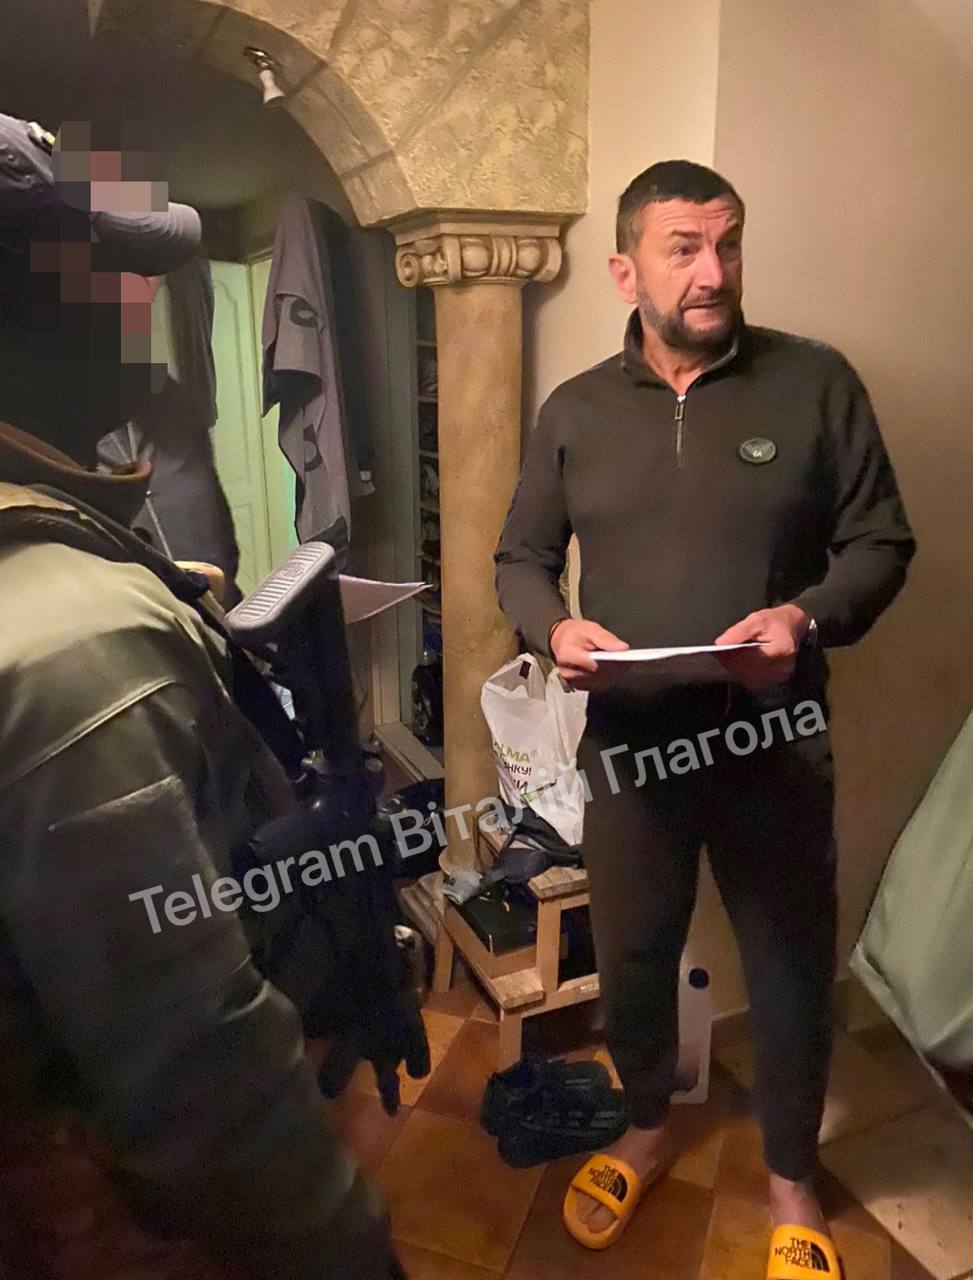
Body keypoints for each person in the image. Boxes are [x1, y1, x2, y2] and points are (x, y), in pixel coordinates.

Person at [495, 159, 915, 1275]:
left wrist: (804, 617)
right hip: (630, 749)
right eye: (683, 249)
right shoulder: (574, 410)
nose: (713, 272)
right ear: (624, 269)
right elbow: (520, 557)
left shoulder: (815, 383)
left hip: (769, 739)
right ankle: (645, 1122)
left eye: (727, 245)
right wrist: (552, 629)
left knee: (787, 963)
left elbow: (880, 543)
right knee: (632, 953)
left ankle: (790, 1177)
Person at [0, 113, 397, 1279]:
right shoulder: (73, 645)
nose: (140, 305)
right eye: (110, 273)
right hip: (120, 1214)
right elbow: (199, 1067)